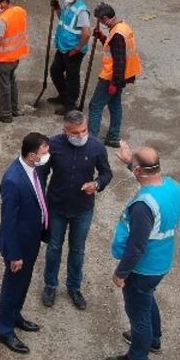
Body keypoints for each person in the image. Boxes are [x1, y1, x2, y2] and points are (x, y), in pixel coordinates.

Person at [106, 142, 180, 360]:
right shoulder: (172, 186)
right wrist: (132, 162)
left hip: (144, 267)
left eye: (135, 168)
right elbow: (147, 174)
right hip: (162, 260)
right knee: (147, 298)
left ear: (139, 171)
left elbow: (137, 246)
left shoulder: (143, 206)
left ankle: (137, 359)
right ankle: (154, 339)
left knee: (137, 312)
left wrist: (121, 273)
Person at [37, 110, 112, 310]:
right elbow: (41, 174)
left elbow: (106, 173)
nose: (81, 136)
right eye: (75, 133)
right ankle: (50, 286)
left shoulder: (96, 146)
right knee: (54, 247)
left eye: (84, 131)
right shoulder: (52, 145)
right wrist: (41, 202)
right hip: (57, 207)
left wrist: (97, 184)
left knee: (77, 250)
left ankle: (74, 288)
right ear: (65, 131)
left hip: (83, 209)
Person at [0, 131, 50, 355]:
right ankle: (5, 330)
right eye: (44, 152)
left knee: (23, 281)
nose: (48, 155)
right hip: (18, 244)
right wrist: (14, 254)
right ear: (31, 155)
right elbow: (8, 222)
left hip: (32, 238)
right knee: (13, 285)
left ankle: (15, 315)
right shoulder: (13, 181)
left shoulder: (32, 169)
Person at [87, 3, 142, 148]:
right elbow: (115, 49)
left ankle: (92, 140)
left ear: (105, 18)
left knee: (95, 106)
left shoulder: (117, 34)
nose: (100, 23)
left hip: (111, 76)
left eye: (100, 20)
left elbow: (119, 61)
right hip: (121, 76)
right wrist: (102, 37)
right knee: (114, 105)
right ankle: (113, 136)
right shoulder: (122, 28)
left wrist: (114, 83)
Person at [49, 0, 91, 112]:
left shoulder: (82, 11)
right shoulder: (67, 4)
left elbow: (87, 34)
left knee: (72, 77)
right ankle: (63, 96)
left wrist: (77, 48)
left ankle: (70, 105)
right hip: (63, 46)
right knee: (55, 71)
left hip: (73, 50)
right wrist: (57, 8)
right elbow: (63, 19)